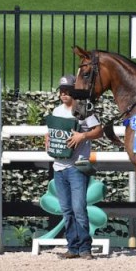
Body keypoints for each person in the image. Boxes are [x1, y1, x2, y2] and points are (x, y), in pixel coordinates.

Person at [45, 74, 103, 259]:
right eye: (61, 91)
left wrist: (82, 136)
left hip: (77, 166)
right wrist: (48, 140)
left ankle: (84, 248)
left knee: (78, 208)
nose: (63, 94)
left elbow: (99, 131)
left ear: (73, 91)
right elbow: (52, 133)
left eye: (67, 91)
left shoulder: (83, 109)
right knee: (67, 209)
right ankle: (73, 246)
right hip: (59, 166)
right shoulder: (56, 111)